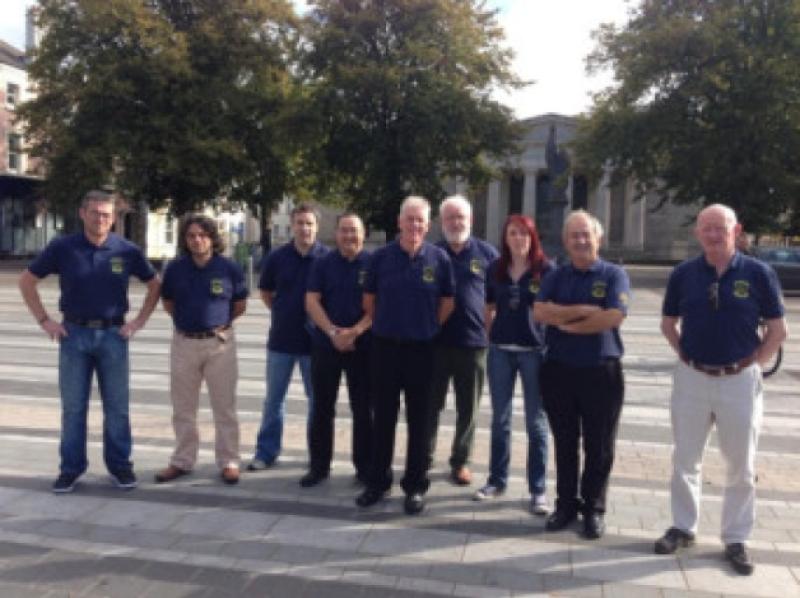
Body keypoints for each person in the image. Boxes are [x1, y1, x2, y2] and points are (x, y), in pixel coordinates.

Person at [654, 204, 786, 575]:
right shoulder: (683, 274)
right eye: (707, 228)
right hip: (692, 378)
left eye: (720, 228)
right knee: (685, 459)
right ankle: (683, 526)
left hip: (740, 381)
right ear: (698, 233)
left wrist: (751, 363)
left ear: (736, 230)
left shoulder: (759, 273)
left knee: (741, 464)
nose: (713, 234)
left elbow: (778, 331)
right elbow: (668, 324)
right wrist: (686, 357)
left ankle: (736, 537)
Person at [18, 190, 160, 493]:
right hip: (74, 336)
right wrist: (45, 320)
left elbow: (154, 285)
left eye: (107, 214)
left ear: (114, 218)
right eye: (95, 213)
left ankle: (120, 466)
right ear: (82, 214)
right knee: (73, 408)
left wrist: (138, 322)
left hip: (113, 336)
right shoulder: (63, 247)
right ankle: (71, 468)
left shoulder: (126, 250)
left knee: (118, 408)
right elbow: (26, 281)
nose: (101, 219)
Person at [533, 209, 630, 540]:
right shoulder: (556, 276)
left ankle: (593, 508)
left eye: (586, 233)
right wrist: (579, 312)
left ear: (598, 238)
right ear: (565, 241)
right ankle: (565, 505)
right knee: (564, 441)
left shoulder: (615, 274)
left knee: (599, 445)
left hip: (601, 371)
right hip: (559, 370)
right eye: (574, 235)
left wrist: (568, 327)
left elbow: (614, 316)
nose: (580, 240)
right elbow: (540, 311)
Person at [356, 195, 455, 515]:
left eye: (420, 220)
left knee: (420, 422)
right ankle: (378, 481)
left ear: (428, 226)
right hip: (385, 348)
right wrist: (391, 324)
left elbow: (447, 303)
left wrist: (426, 326)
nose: (414, 225)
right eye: (409, 219)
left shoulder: (439, 260)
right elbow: (369, 301)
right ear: (399, 222)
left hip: (423, 351)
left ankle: (414, 485)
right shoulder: (380, 258)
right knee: (382, 417)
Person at [155, 214, 249, 485]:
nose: (197, 240)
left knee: (225, 407)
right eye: (191, 236)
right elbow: (169, 302)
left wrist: (219, 324)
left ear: (212, 238)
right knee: (183, 407)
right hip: (185, 343)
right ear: (185, 240)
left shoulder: (229, 268)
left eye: (203, 235)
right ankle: (183, 460)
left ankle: (229, 460)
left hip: (219, 345)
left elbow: (240, 305)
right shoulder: (175, 269)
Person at [473, 214, 552, 517]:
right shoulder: (496, 268)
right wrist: (490, 333)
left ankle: (538, 489)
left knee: (536, 423)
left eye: (523, 233)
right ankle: (497, 481)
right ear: (505, 238)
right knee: (500, 420)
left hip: (534, 352)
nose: (518, 238)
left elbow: (552, 308)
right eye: (512, 233)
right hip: (502, 352)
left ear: (533, 237)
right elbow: (488, 305)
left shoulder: (545, 270)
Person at [248, 203, 329, 470]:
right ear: (292, 226)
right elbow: (266, 293)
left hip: (315, 344)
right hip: (281, 341)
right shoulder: (277, 257)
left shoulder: (327, 258)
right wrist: (283, 313)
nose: (304, 228)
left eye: (309, 223)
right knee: (273, 400)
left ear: (317, 227)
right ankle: (266, 452)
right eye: (300, 223)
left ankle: (316, 455)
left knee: (316, 402)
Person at [427, 195, 498, 486]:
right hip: (435, 343)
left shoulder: (487, 254)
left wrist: (490, 332)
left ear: (471, 221)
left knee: (468, 409)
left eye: (461, 218)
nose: (456, 223)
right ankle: (423, 455)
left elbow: (497, 299)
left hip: (473, 344)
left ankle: (461, 461)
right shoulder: (431, 254)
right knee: (429, 405)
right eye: (450, 218)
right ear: (442, 222)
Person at [301, 213, 373, 487]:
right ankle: (319, 467)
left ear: (363, 234)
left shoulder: (373, 263)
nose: (348, 236)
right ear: (336, 233)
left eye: (353, 231)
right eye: (343, 230)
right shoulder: (322, 264)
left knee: (364, 409)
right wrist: (333, 332)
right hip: (326, 345)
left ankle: (364, 468)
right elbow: (311, 301)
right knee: (322, 408)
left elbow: (378, 305)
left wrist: (355, 332)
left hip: (363, 346)